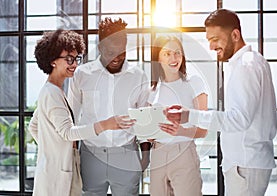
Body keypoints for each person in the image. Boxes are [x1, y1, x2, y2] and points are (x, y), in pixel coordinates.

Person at [165, 9, 277, 196]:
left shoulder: (245, 66)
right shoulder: (250, 62)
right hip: (246, 163)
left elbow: (238, 119)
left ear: (235, 35)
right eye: (209, 40)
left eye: (215, 39)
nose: (211, 47)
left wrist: (190, 115)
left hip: (245, 164)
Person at [28, 29, 133, 196]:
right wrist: (106, 124)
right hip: (56, 177)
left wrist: (53, 151)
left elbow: (33, 127)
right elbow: (68, 133)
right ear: (52, 60)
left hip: (53, 169)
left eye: (76, 58)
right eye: (69, 59)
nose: (75, 64)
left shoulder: (53, 90)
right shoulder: (52, 93)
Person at [67, 18, 151, 195]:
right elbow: (71, 117)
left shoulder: (138, 76)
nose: (117, 57)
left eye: (122, 51)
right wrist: (73, 155)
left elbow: (145, 119)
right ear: (100, 48)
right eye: (111, 52)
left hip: (127, 154)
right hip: (91, 156)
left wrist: (145, 157)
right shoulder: (82, 74)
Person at [148, 35, 208, 196]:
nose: (173, 58)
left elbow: (203, 130)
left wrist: (180, 131)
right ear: (158, 58)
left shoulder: (193, 83)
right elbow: (148, 131)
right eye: (167, 54)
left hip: (184, 153)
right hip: (158, 154)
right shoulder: (153, 90)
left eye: (177, 53)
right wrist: (147, 133)